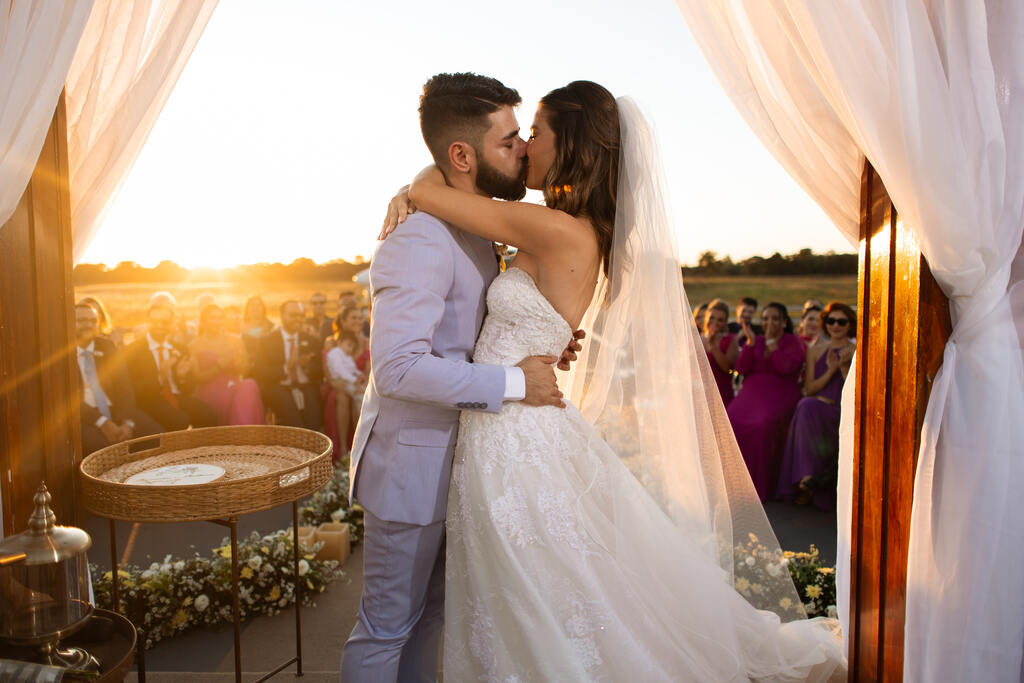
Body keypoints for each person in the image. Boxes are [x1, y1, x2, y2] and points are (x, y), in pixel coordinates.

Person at [374, 75, 842, 681]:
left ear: (565, 147)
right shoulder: (561, 224)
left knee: (530, 594)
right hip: (507, 425)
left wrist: (411, 187)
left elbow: (432, 189)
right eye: (517, 136)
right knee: (536, 593)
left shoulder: (554, 228)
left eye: (533, 134)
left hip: (512, 437)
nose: (523, 146)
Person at [339, 73, 580, 682]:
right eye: (508, 142)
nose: (522, 150)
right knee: (386, 626)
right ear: (462, 155)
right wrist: (515, 383)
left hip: (473, 462)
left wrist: (543, 335)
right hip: (413, 467)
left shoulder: (474, 225)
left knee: (433, 618)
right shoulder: (419, 235)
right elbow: (397, 368)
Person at [778, 302, 856, 508]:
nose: (836, 325)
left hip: (841, 411)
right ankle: (807, 479)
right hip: (814, 408)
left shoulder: (856, 350)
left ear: (850, 324)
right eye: (831, 321)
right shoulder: (815, 351)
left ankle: (806, 480)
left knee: (805, 407)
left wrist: (844, 366)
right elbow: (810, 388)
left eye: (841, 321)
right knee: (806, 405)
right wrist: (831, 370)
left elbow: (856, 389)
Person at [727, 302, 806, 501]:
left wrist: (772, 345)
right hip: (752, 392)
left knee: (763, 424)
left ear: (783, 321)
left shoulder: (792, 342)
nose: (769, 322)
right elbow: (742, 368)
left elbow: (786, 367)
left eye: (774, 318)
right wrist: (750, 344)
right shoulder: (757, 340)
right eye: (765, 318)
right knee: (730, 419)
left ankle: (758, 485)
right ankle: (732, 482)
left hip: (781, 391)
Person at [74, 302, 161, 455]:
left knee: (156, 436)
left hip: (115, 409)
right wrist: (102, 423)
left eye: (92, 321)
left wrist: (127, 422)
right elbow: (68, 400)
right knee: (101, 448)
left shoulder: (107, 347)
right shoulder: (60, 354)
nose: (88, 325)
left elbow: (124, 386)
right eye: (81, 321)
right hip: (83, 415)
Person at [123, 298, 218, 432]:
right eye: (155, 322)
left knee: (209, 415)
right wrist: (160, 377)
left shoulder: (180, 348)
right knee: (179, 419)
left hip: (175, 397)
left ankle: (203, 451)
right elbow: (133, 390)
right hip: (150, 400)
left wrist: (182, 377)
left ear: (172, 323)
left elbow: (188, 389)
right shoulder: (133, 351)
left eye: (165, 322)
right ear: (148, 322)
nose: (160, 325)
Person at [188, 304, 264, 426]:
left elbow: (244, 371)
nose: (217, 321)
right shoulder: (194, 345)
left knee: (249, 384)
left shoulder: (235, 340)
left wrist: (240, 363)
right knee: (240, 391)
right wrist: (220, 365)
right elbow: (198, 378)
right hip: (209, 388)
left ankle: (244, 433)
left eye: (220, 318)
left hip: (232, 385)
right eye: (212, 318)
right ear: (203, 321)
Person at [253, 300, 323, 429]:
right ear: (282, 316)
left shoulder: (311, 340)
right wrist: (286, 367)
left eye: (300, 316)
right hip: (279, 386)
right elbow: (260, 372)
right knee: (295, 425)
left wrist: (306, 367)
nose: (298, 319)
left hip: (306, 385)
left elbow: (320, 371)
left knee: (314, 425)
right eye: (293, 315)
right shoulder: (266, 341)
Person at [702, 298, 739, 407]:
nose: (715, 322)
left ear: (725, 322)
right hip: (699, 391)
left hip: (720, 392)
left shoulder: (731, 340)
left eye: (720, 320)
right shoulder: (696, 338)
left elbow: (727, 368)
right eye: (712, 317)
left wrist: (713, 346)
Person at [241, 295, 274, 364]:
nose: (255, 308)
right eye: (252, 305)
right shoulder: (240, 326)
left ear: (263, 308)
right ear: (247, 309)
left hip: (266, 360)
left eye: (258, 305)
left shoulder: (271, 327)